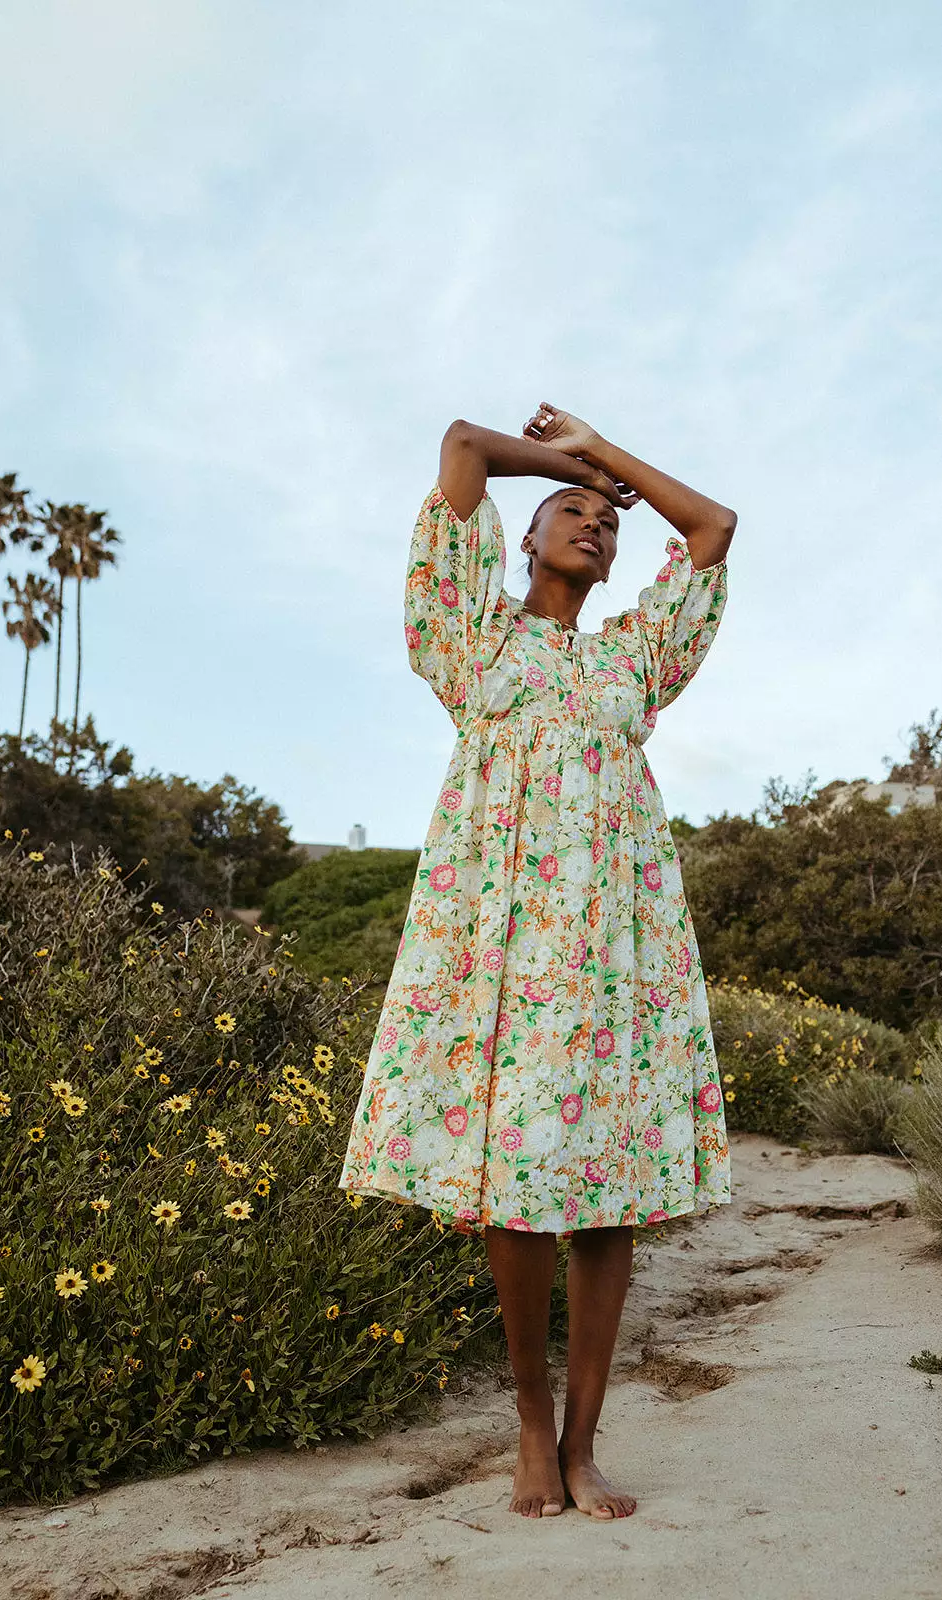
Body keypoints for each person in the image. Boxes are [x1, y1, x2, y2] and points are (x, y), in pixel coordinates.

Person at [340, 403, 737, 1521]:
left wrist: (608, 459)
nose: (592, 526)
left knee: (602, 1201)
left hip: (615, 950)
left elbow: (710, 528)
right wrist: (556, 462)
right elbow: (464, 443)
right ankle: (524, 1420)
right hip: (500, 941)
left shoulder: (631, 661)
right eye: (567, 514)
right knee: (516, 1194)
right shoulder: (469, 637)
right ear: (519, 539)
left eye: (602, 524)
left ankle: (582, 1443)